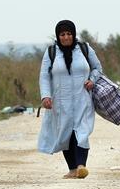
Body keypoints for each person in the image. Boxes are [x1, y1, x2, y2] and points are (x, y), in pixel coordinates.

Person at [38, 19, 103, 179]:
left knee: (82, 132)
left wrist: (92, 80)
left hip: (83, 99)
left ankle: (81, 165)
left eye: (69, 34)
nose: (66, 37)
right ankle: (73, 169)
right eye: (62, 34)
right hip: (60, 101)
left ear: (74, 34)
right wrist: (45, 95)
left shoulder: (84, 49)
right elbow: (44, 76)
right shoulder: (51, 52)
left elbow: (97, 68)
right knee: (65, 133)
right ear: (58, 36)